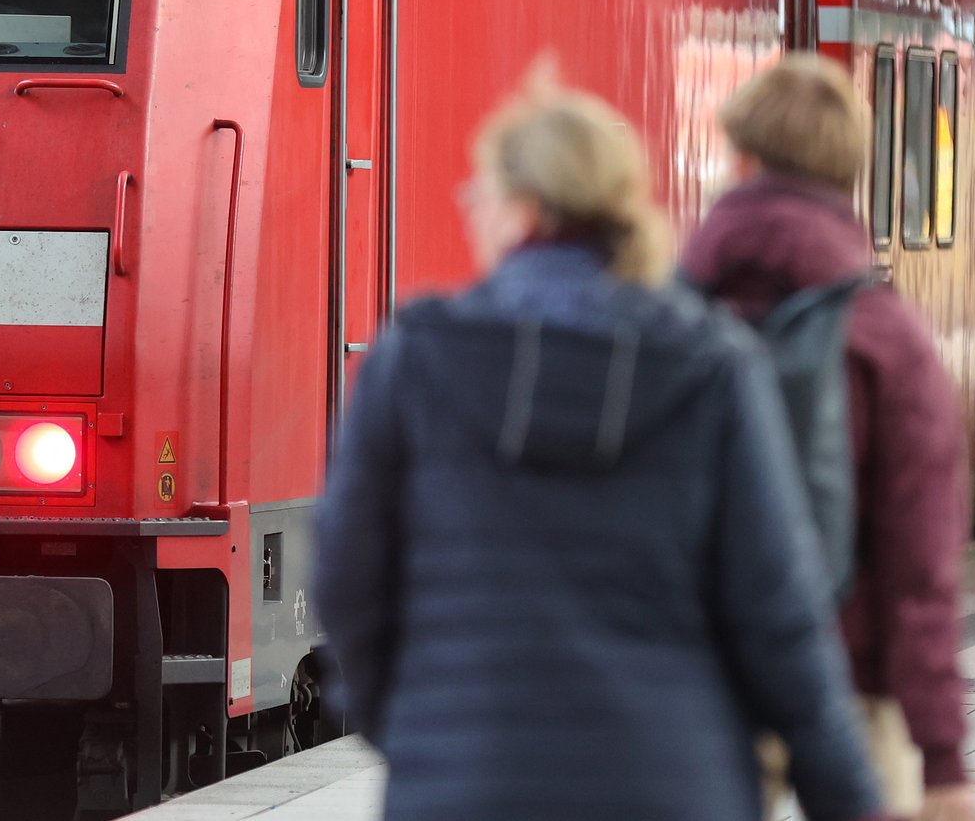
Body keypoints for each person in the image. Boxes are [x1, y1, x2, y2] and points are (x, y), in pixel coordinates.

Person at [315, 70, 886, 821]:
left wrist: (415, 723)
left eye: (479, 191)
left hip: (466, 787)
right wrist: (848, 797)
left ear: (524, 208)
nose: (472, 210)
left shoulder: (415, 358)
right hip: (674, 785)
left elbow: (347, 580)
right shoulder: (713, 366)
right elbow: (779, 611)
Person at [682, 57, 975, 821]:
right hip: (848, 685)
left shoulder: (662, 319)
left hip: (691, 689)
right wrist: (942, 757)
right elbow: (920, 569)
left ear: (740, 162)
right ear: (849, 176)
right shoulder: (887, 337)